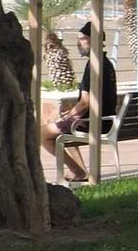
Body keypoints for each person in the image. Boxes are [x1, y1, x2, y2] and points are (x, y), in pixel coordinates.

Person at [41, 21, 119, 182]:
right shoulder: (107, 64)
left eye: (82, 39)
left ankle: (76, 171)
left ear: (95, 40)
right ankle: (80, 172)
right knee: (60, 127)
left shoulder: (94, 66)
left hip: (93, 123)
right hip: (106, 121)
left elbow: (85, 103)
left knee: (42, 134)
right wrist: (69, 115)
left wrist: (66, 118)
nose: (79, 43)